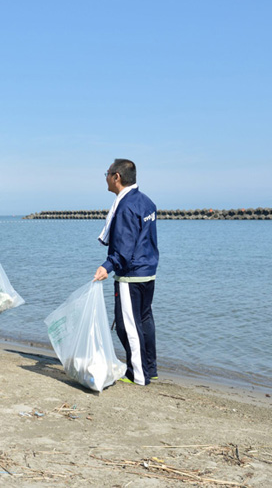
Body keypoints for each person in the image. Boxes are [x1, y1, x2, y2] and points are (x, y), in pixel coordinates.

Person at [94, 158, 159, 386]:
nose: (106, 177)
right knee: (144, 319)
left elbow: (124, 245)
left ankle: (138, 374)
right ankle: (150, 368)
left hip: (131, 275)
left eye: (107, 173)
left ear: (117, 177)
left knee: (127, 326)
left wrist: (107, 266)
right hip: (148, 271)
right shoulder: (146, 202)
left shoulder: (125, 206)